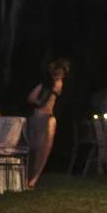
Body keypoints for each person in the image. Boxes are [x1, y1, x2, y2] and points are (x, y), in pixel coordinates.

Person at [27, 59, 69, 189]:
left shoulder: (59, 84)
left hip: (49, 117)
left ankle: (33, 179)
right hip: (40, 115)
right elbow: (31, 98)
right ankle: (30, 177)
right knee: (36, 146)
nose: (59, 75)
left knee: (45, 148)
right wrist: (41, 102)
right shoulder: (46, 85)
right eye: (57, 73)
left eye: (61, 73)